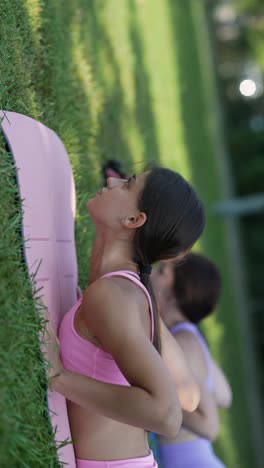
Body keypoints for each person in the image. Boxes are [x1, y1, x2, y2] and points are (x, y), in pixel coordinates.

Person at [44, 167, 205, 467]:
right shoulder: (128, 294)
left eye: (127, 183)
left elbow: (168, 415)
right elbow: (189, 395)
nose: (111, 180)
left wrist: (60, 378)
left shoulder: (115, 295)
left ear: (133, 220)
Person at [152, 254, 232, 468]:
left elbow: (210, 427)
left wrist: (159, 401)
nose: (151, 273)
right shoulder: (189, 338)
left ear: (177, 295)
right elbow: (225, 395)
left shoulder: (183, 343)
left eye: (161, 271)